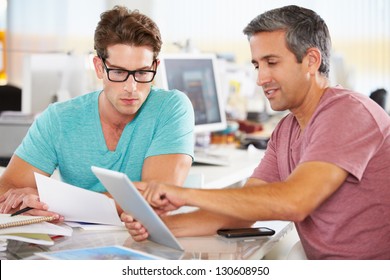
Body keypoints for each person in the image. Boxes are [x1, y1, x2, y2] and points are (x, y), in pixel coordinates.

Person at [123, 5, 390, 260]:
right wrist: (160, 226)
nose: (261, 78)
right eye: (257, 65)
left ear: (311, 61)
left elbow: (295, 201)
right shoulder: (286, 130)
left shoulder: (347, 112)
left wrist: (183, 194)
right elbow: (241, 211)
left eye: (272, 62)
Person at [0, 6, 194, 218]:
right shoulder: (59, 118)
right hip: (75, 244)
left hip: (143, 242)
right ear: (99, 67)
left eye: (142, 72)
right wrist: (26, 200)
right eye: (118, 72)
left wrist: (52, 200)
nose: (132, 87)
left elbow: (155, 198)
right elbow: (6, 190)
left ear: (155, 67)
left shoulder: (172, 107)